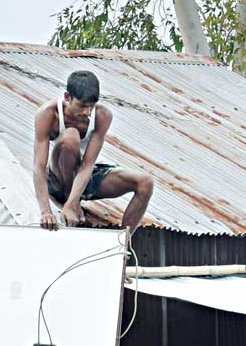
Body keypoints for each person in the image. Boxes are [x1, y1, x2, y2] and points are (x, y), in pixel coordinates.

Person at [32, 69, 155, 233]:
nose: (86, 112)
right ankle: (69, 197)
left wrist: (72, 203)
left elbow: (88, 165)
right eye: (82, 106)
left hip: (82, 179)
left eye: (91, 106)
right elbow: (38, 167)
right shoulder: (47, 114)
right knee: (71, 136)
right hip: (58, 180)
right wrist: (46, 212)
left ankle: (122, 242)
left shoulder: (103, 115)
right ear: (67, 97)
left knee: (145, 182)